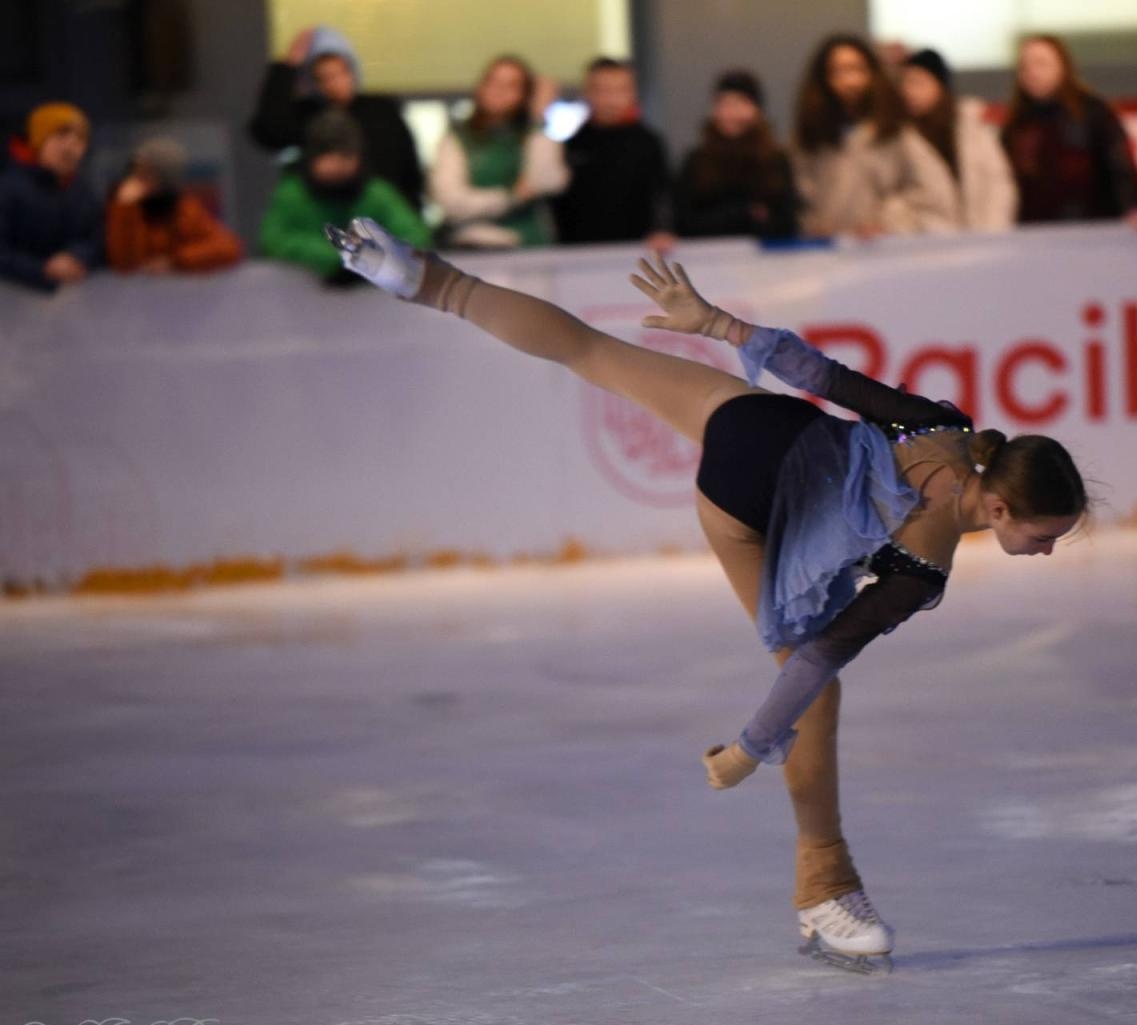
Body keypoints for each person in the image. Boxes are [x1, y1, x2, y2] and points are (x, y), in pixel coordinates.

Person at [322, 215, 1091, 974]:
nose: (1048, 549)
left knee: (595, 352)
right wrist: (749, 750)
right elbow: (821, 655)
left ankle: (427, 280)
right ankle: (826, 881)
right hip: (745, 512)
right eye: (1045, 534)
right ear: (999, 510)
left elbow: (826, 379)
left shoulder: (953, 428)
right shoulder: (924, 565)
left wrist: (718, 324)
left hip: (762, 427)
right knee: (813, 697)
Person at [790, 33, 961, 237]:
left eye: (857, 70)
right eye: (838, 71)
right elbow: (801, 199)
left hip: (884, 252)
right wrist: (812, 225)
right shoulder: (809, 138)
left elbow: (933, 191)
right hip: (830, 253)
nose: (850, 81)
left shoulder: (896, 134)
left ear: (873, 74)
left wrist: (889, 219)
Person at [247, 25, 425, 211]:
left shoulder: (380, 111)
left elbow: (409, 170)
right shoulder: (310, 115)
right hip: (325, 213)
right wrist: (287, 67)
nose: (335, 83)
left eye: (341, 73)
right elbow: (270, 129)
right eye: (325, 77)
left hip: (382, 216)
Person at [260, 111, 429, 284]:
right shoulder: (291, 196)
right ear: (311, 157)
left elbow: (415, 236)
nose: (337, 163)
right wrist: (338, 255)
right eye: (328, 154)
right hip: (301, 297)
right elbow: (273, 241)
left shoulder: (377, 194)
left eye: (346, 154)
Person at [1001, 35, 1137, 228]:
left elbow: (1121, 167)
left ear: (1063, 67)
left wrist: (1133, 209)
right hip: (1033, 232)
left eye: (1041, 64)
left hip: (1091, 230)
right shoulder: (1016, 123)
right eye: (1024, 66)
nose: (1032, 72)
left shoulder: (1093, 112)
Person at [429, 55, 568, 249]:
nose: (499, 91)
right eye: (493, 81)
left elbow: (548, 182)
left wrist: (539, 117)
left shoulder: (532, 135)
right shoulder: (458, 138)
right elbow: (451, 201)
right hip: (474, 244)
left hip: (530, 245)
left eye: (512, 85)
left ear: (524, 94)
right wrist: (510, 197)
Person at [553, 57, 673, 249]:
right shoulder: (572, 145)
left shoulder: (648, 143)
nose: (611, 99)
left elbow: (662, 195)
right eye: (603, 90)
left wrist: (663, 229)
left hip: (639, 254)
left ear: (632, 93)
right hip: (579, 254)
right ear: (587, 93)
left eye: (620, 90)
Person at [897, 48, 1018, 232]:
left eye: (918, 83)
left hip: (987, 238)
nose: (909, 92)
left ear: (940, 85)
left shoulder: (973, 123)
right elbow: (898, 201)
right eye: (905, 84)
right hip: (932, 246)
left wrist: (993, 235)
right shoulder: (901, 137)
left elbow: (998, 182)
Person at [673, 69, 798, 239]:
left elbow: (787, 221)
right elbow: (684, 221)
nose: (730, 113)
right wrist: (744, 213)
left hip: (765, 260)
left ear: (756, 110)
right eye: (723, 104)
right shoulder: (697, 160)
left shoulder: (775, 160)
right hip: (708, 256)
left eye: (740, 103)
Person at [0, 102, 102, 293]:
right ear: (38, 140)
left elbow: (94, 237)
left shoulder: (82, 191)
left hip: (69, 306)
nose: (71, 145)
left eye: (80, 138)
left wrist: (76, 256)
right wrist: (42, 269)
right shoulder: (8, 189)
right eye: (61, 134)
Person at [105, 137, 244, 273]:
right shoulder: (122, 206)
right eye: (135, 171)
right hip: (133, 289)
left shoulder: (183, 209)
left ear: (164, 179)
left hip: (175, 287)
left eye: (147, 173)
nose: (138, 178)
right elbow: (123, 263)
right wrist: (125, 208)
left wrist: (176, 260)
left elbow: (229, 248)